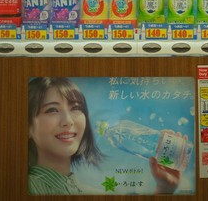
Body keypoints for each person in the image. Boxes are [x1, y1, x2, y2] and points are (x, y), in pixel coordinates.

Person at [28, 77, 183, 195]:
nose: (68, 121)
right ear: (28, 126)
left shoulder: (76, 188)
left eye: (75, 108)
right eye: (52, 110)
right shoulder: (31, 187)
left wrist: (164, 189)